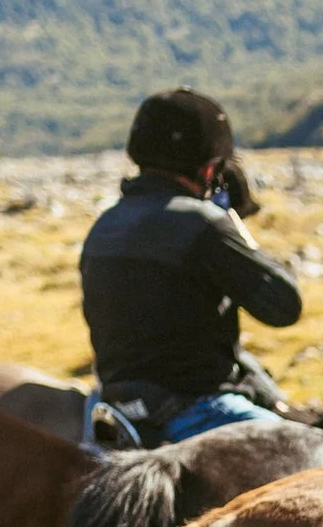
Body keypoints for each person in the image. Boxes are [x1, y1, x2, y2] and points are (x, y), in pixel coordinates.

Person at [79, 91, 305, 441]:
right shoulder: (203, 224)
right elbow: (285, 306)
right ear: (210, 168)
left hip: (115, 407)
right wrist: (233, 226)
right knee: (312, 457)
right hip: (194, 407)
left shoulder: (105, 224)